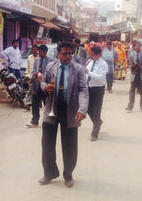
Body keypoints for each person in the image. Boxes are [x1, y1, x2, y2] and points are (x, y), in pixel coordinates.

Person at [39, 41, 88, 187]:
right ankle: (49, 173)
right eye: (65, 53)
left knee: (70, 145)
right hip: (52, 109)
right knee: (47, 143)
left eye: (70, 53)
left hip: (71, 110)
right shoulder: (50, 66)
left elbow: (83, 90)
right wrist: (45, 87)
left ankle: (68, 174)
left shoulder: (78, 69)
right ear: (58, 54)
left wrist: (82, 110)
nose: (68, 56)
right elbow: (43, 82)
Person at [26, 44, 54, 128]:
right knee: (35, 104)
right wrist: (32, 77)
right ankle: (35, 121)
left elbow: (51, 74)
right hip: (36, 86)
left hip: (46, 86)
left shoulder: (51, 61)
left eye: (40, 51)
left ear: (45, 52)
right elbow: (34, 70)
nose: (39, 53)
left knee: (47, 104)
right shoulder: (37, 60)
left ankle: (48, 121)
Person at [84, 46, 108, 141]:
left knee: (97, 110)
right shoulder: (90, 62)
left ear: (98, 54)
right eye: (90, 54)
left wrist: (88, 73)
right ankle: (97, 122)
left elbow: (100, 77)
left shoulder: (103, 64)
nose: (91, 56)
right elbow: (85, 73)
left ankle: (95, 133)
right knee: (88, 109)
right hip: (88, 88)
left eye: (93, 54)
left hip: (98, 89)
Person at [125, 42, 142, 112]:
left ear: (141, 47)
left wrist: (140, 67)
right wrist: (132, 66)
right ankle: (130, 106)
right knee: (132, 91)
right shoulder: (131, 54)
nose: (138, 47)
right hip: (134, 75)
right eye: (136, 46)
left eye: (139, 46)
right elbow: (128, 64)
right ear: (134, 47)